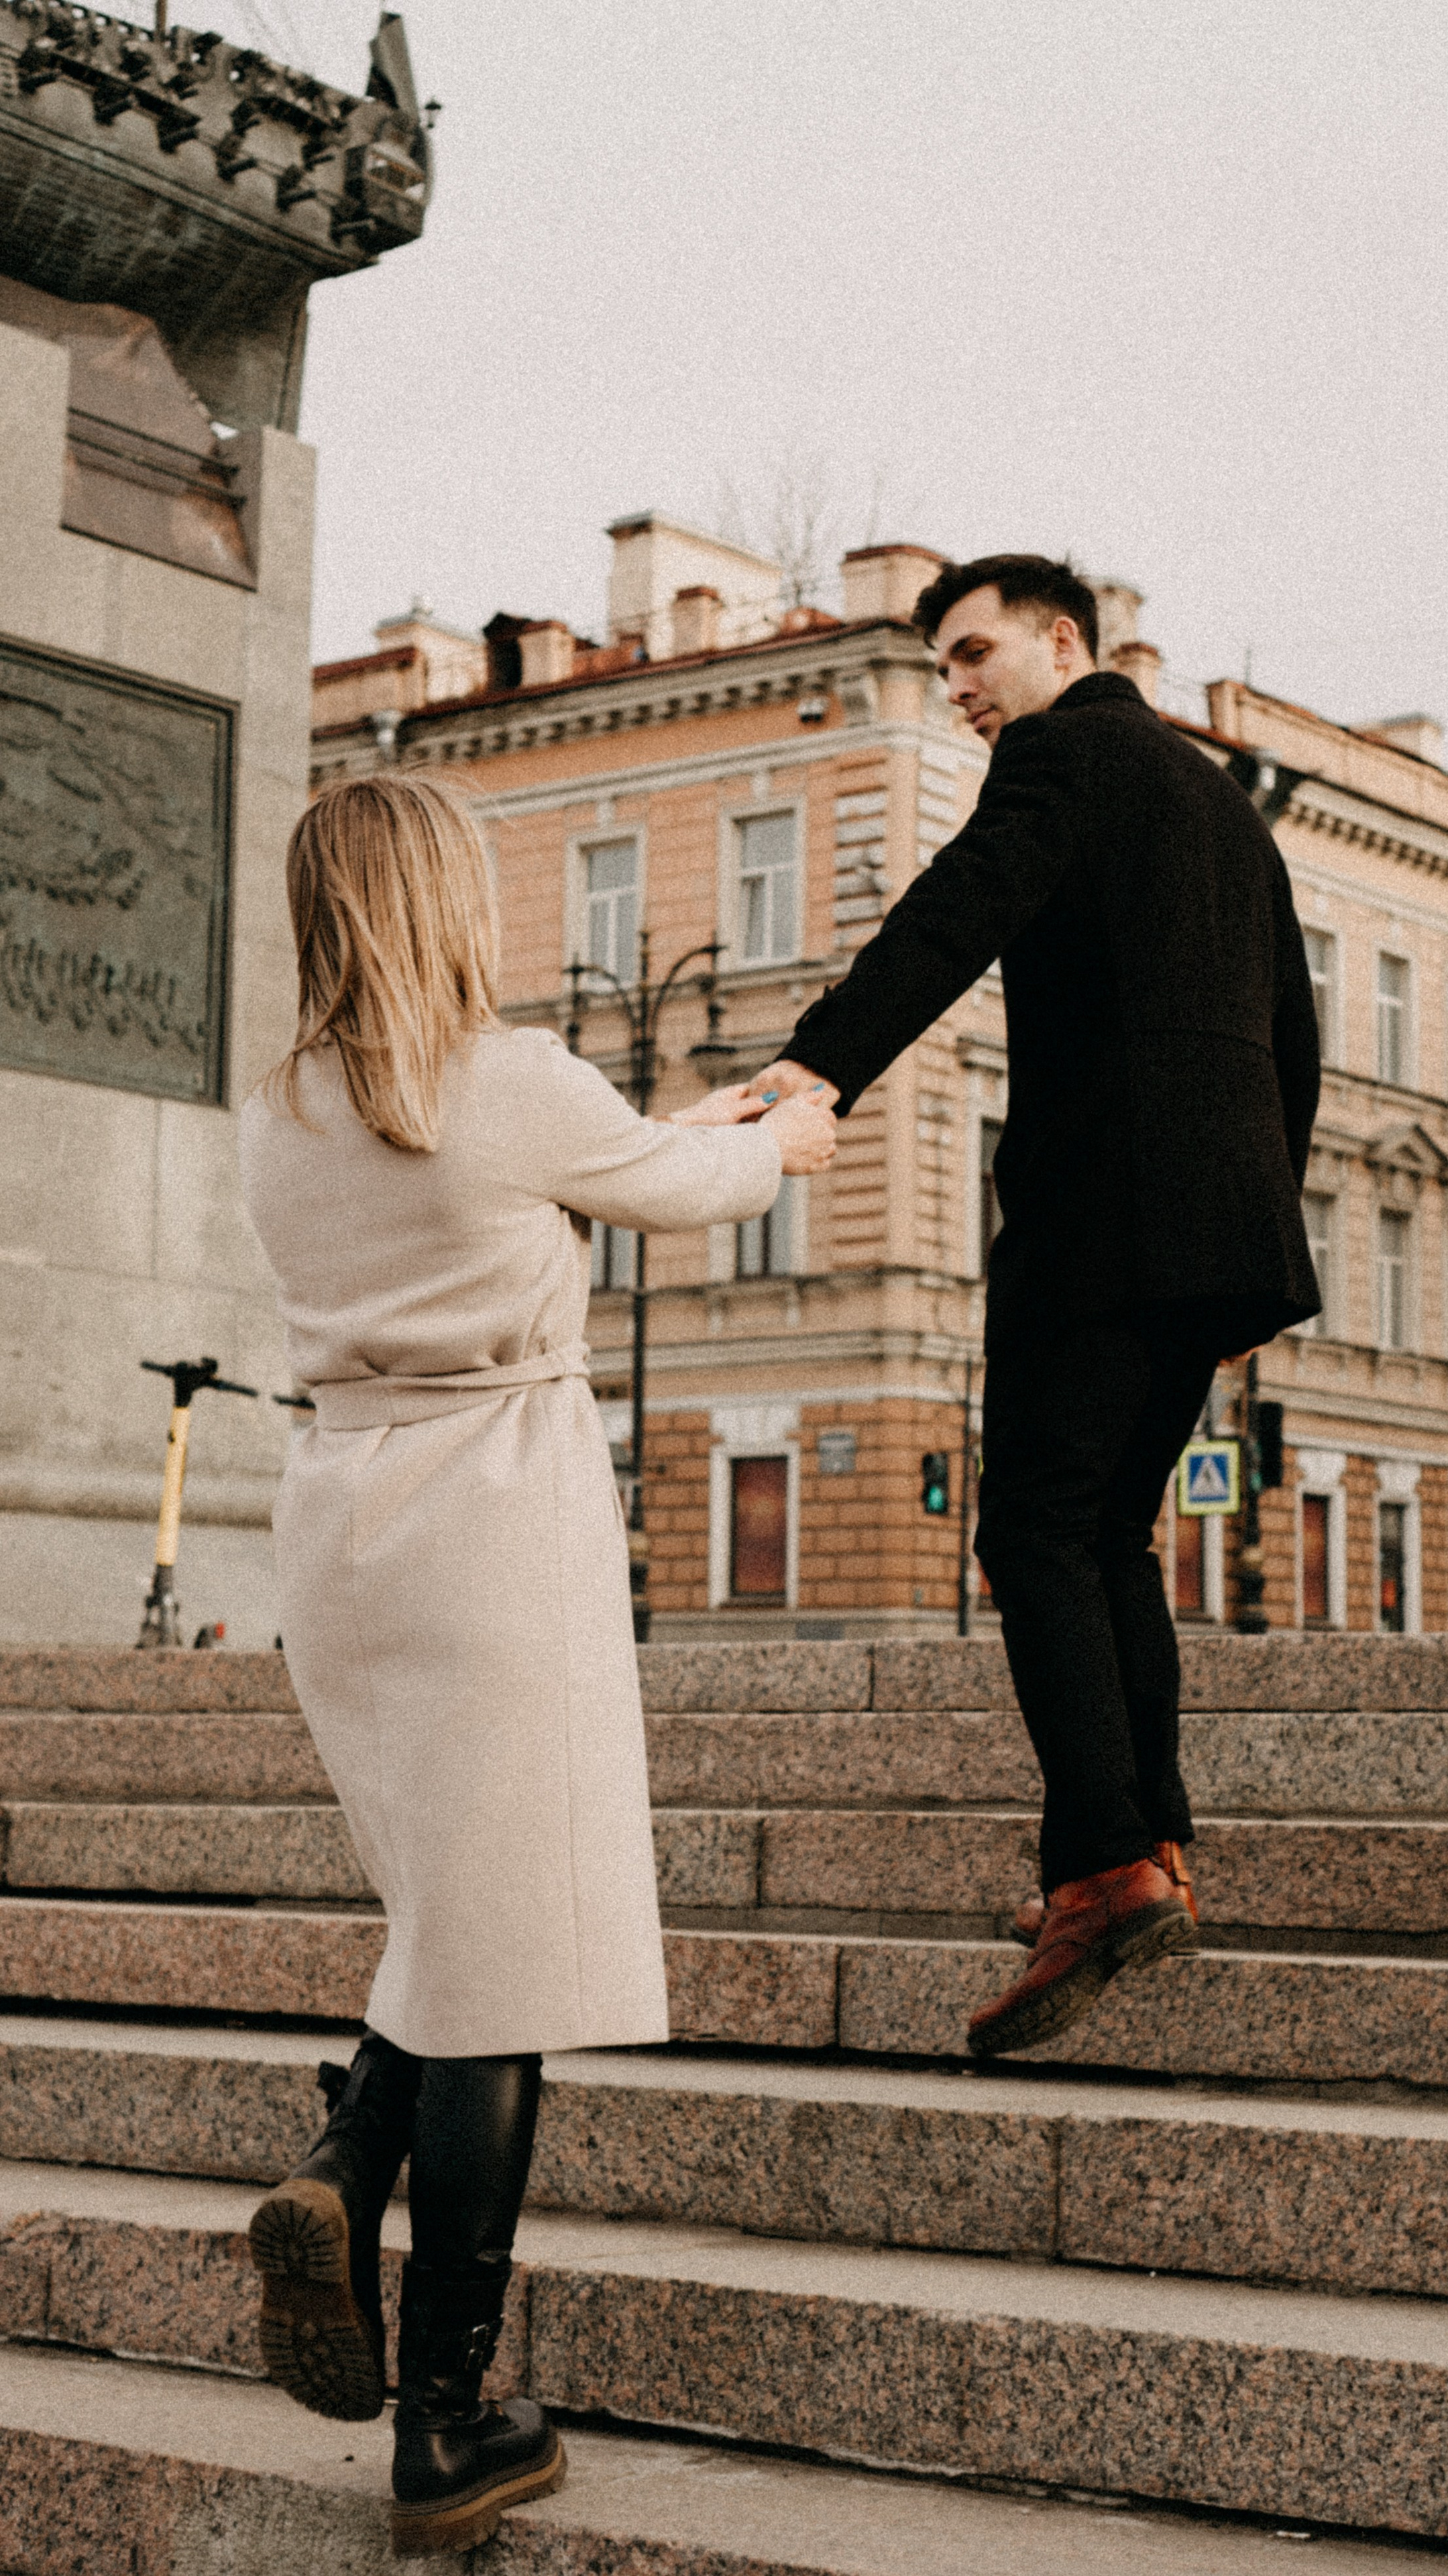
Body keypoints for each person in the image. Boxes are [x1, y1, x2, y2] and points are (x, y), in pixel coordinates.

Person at [239, 774, 834, 2557]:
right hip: (492, 1517)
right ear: (444, 898)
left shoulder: (286, 1106)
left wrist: (666, 1124)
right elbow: (688, 1186)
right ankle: (446, 2424)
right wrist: (782, 1134)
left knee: (445, 1915)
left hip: (342, 1521)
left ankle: (346, 2169)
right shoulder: (505, 1083)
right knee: (503, 1961)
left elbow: (548, 1169)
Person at [746, 555, 1321, 2059]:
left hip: (1099, 1218)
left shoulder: (1062, 753)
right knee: (1105, 1535)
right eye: (943, 669)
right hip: (1217, 1232)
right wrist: (1256, 1231)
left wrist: (819, 1063)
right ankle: (1149, 1846)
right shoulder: (1215, 797)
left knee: (1029, 1535)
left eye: (974, 653)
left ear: (1063, 641)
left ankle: (1100, 1871)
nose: (960, 688)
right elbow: (1290, 1031)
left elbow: (956, 910)